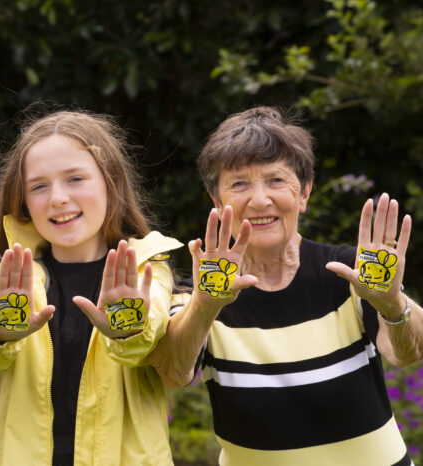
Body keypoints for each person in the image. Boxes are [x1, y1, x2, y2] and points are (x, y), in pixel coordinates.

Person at [149, 106, 423, 465]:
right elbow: (172, 374)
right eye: (239, 183)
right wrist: (204, 304)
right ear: (218, 202)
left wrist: (391, 304)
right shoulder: (199, 293)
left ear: (304, 193)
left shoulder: (350, 272)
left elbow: (407, 353)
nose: (260, 200)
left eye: (276, 180)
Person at [0, 110, 182, 465]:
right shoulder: (9, 274)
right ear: (23, 200)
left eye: (75, 178)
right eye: (39, 186)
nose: (58, 198)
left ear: (110, 181)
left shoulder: (146, 266)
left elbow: (148, 335)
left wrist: (127, 328)